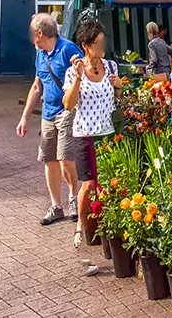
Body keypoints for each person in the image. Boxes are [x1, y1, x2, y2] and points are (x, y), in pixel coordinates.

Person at [64, 18, 121, 275]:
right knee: (88, 184)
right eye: (98, 42)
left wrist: (118, 87)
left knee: (110, 184)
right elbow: (68, 104)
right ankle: (83, 226)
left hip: (109, 134)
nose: (103, 45)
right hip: (85, 133)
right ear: (86, 46)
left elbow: (116, 100)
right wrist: (77, 79)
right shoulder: (73, 71)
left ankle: (108, 229)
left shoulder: (110, 66)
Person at [17, 13, 83, 225]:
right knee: (49, 159)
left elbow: (83, 79)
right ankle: (56, 206)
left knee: (66, 158)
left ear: (39, 33)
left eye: (31, 32)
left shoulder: (68, 49)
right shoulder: (40, 54)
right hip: (48, 113)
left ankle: (74, 197)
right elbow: (37, 87)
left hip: (67, 111)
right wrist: (24, 117)